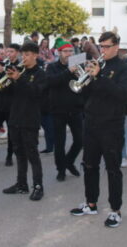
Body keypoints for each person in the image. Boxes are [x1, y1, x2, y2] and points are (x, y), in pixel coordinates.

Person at [70, 31, 127, 228]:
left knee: (113, 169)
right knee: (89, 165)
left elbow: (122, 95)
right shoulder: (98, 65)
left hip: (111, 125)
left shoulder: (124, 68)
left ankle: (116, 210)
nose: (102, 50)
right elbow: (87, 93)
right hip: (91, 122)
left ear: (116, 46)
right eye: (101, 46)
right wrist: (82, 75)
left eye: (106, 47)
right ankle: (91, 203)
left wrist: (101, 76)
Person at [2, 42, 46, 201]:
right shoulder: (18, 71)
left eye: (27, 55)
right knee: (19, 153)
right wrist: (5, 77)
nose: (24, 58)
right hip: (15, 117)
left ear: (35, 55)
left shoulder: (40, 74)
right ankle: (21, 184)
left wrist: (19, 78)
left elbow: (35, 93)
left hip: (30, 119)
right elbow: (8, 93)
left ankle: (38, 186)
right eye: (23, 55)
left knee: (32, 154)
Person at [46, 41, 83, 181]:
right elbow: (51, 82)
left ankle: (69, 161)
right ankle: (61, 169)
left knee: (80, 140)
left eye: (71, 51)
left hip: (76, 109)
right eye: (66, 51)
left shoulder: (79, 66)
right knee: (60, 143)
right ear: (59, 53)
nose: (69, 54)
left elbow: (84, 84)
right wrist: (68, 71)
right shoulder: (52, 67)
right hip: (58, 110)